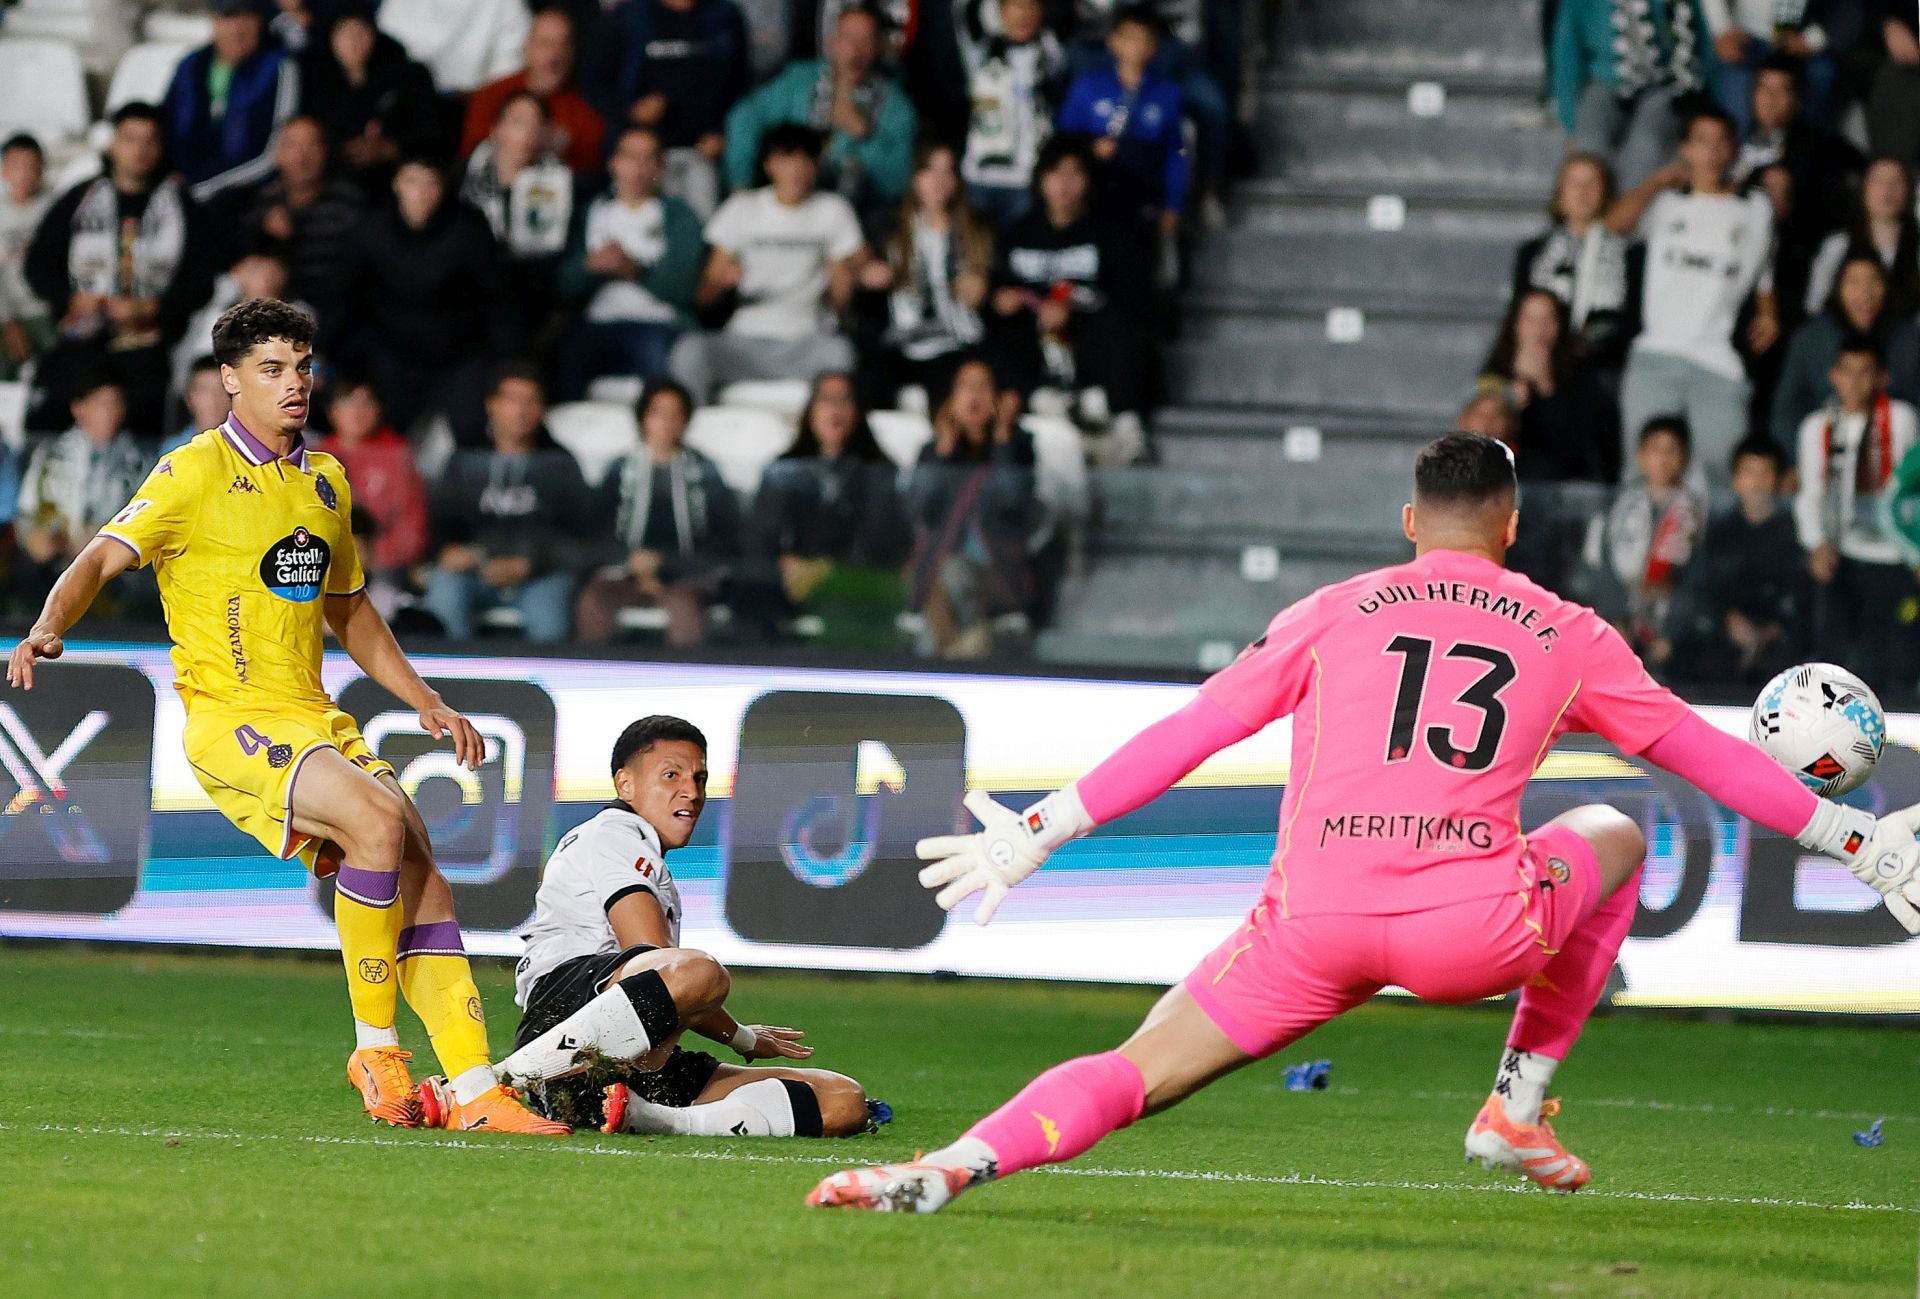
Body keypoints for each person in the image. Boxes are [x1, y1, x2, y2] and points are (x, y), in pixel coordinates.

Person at [806, 433, 1920, 1214]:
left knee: (1140, 1063)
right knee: (1617, 830)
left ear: (1407, 524)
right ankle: (1515, 1106)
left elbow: (1196, 731)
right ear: (1512, 526)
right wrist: (1855, 839)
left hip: (1316, 924)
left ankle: (951, 1164)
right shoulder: (1566, 628)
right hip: (1471, 932)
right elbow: (1701, 752)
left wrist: (1040, 829)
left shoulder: (1332, 611)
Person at [4, 299, 567, 1135]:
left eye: (301, 366)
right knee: (378, 821)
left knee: (420, 863)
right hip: (230, 720)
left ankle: (477, 1089)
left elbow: (351, 609)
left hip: (316, 716)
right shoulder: (189, 472)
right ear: (229, 380)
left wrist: (426, 700)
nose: (294, 383)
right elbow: (99, 555)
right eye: (272, 368)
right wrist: (50, 623)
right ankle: (375, 1050)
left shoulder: (325, 479)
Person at [434, 715, 881, 1139]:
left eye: (699, 779)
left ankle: (648, 1116)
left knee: (842, 1100)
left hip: (636, 1052)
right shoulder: (613, 835)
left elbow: (664, 992)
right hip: (569, 1021)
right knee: (697, 971)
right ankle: (492, 1086)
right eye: (672, 776)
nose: (691, 791)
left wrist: (741, 1036)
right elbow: (654, 962)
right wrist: (742, 1036)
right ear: (624, 784)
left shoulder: (647, 860)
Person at [23, 103, 216, 441]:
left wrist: (152, 307)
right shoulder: (81, 198)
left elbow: (201, 283)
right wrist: (72, 297)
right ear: (112, 145)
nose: (139, 150)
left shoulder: (180, 206)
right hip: (82, 337)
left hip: (149, 344)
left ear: (161, 147)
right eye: (130, 139)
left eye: (150, 140)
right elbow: (38, 263)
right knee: (49, 397)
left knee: (144, 408)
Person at [1609, 106, 1779, 487]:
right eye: (1702, 142)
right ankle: (1633, 545)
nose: (1712, 152)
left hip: (1717, 361)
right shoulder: (1666, 204)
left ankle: (1715, 549)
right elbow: (1614, 225)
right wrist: (1656, 182)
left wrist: (1769, 312)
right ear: (1685, 149)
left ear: (1733, 149)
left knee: (1722, 479)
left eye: (1722, 142)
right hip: (1656, 355)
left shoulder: (1755, 210)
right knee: (1640, 474)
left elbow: (1763, 272)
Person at [669, 125, 864, 403]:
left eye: (804, 160)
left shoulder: (833, 210)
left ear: (816, 166)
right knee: (691, 350)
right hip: (744, 338)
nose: (795, 169)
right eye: (786, 159)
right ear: (770, 165)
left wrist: (844, 276)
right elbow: (704, 296)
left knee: (840, 353)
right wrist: (721, 283)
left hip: (805, 338)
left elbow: (840, 302)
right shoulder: (742, 208)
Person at [987, 135, 1150, 462]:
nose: (1064, 184)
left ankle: (1124, 420)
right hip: (1033, 342)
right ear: (1041, 180)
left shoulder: (1110, 234)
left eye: (1075, 174)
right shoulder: (1017, 234)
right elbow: (999, 288)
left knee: (1117, 329)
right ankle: (1041, 400)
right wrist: (1000, 298)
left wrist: (1071, 306)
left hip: (1091, 335)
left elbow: (1129, 296)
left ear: (1089, 182)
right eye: (1055, 174)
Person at [335, 157, 515, 444]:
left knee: (473, 433)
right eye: (412, 181)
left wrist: (505, 362)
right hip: (393, 354)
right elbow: (342, 296)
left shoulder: (467, 227)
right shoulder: (371, 229)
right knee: (380, 435)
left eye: (431, 183)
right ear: (397, 184)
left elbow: (496, 299)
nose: (421, 193)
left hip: (459, 356)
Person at [421, 363, 589, 643]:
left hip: (539, 572)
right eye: (511, 400)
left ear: (542, 409)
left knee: (550, 625)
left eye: (530, 401)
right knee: (444, 599)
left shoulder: (560, 464)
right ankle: (451, 684)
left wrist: (531, 562)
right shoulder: (464, 460)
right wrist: (448, 548)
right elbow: (441, 519)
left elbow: (578, 535)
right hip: (473, 568)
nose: (521, 411)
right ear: (492, 405)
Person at [574, 378, 742, 647]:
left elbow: (724, 539)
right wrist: (631, 563)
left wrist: (665, 565)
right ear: (643, 418)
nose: (666, 422)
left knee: (683, 607)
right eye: (657, 413)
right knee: (594, 601)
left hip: (687, 578)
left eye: (675, 415)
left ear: (686, 421)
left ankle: (688, 683)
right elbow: (595, 532)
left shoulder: (706, 472)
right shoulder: (619, 471)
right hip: (625, 573)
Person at [749, 371, 911, 648]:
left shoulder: (880, 472)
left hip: (854, 581)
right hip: (791, 581)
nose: (835, 409)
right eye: (826, 400)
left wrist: (826, 570)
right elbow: (760, 537)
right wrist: (785, 562)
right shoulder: (783, 470)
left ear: (858, 412)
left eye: (844, 400)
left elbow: (883, 543)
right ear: (811, 411)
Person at [1794, 337, 1920, 681]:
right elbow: (1811, 493)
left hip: (1895, 554)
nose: (1854, 382)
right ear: (1834, 376)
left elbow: (1911, 487)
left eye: (1865, 372)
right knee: (1835, 651)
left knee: (1893, 652)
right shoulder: (1817, 426)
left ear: (1882, 378)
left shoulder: (1902, 419)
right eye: (1846, 372)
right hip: (1843, 549)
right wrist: (1816, 542)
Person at [554, 126, 705, 400]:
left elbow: (685, 287)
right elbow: (561, 285)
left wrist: (635, 271)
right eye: (630, 156)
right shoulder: (589, 212)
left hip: (657, 323)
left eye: (648, 158)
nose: (638, 167)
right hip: (595, 323)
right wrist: (590, 267)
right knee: (564, 358)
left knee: (656, 359)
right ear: (613, 162)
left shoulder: (679, 215)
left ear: (660, 166)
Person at [723, 5, 918, 210]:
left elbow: (897, 183)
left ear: (878, 46)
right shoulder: (799, 81)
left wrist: (864, 136)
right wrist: (741, 184)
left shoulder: (896, 107)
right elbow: (745, 116)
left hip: (854, 215)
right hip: (787, 204)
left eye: (865, 41)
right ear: (832, 43)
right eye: (847, 38)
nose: (855, 50)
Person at [907, 357, 1035, 658]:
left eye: (982, 387)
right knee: (943, 584)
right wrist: (942, 453)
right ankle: (965, 649)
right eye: (965, 387)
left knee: (949, 576)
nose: (974, 396)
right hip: (940, 573)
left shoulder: (1018, 448)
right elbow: (920, 511)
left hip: (998, 571)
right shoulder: (933, 451)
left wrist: (1003, 439)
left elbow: (1012, 503)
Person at [859, 142, 994, 410]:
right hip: (900, 342)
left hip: (958, 342)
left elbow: (998, 291)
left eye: (948, 172)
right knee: (868, 386)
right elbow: (861, 278)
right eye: (930, 171)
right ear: (915, 177)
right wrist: (866, 278)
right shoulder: (887, 224)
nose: (939, 181)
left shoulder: (978, 227)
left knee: (956, 393)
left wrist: (985, 289)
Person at [1665, 437, 1810, 685]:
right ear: (1735, 479)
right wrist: (1728, 620)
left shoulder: (1798, 534)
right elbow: (1703, 587)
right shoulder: (1719, 533)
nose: (1757, 482)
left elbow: (1803, 594)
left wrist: (1770, 631)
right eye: (1749, 472)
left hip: (1781, 641)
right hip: (1724, 637)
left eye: (1765, 473)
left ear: (1778, 479)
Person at [598, 0, 751, 220]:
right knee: (640, 230)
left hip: (701, 153)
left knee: (698, 231)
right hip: (642, 154)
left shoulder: (724, 15)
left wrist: (722, 130)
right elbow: (594, 82)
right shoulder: (629, 15)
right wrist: (631, 111)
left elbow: (739, 83)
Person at [11, 375, 151, 609]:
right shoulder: (50, 454)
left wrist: (101, 541)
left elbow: (147, 520)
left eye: (115, 403)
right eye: (101, 403)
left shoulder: (139, 461)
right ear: (79, 408)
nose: (109, 411)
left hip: (114, 570)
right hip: (52, 564)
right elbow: (26, 513)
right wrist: (37, 537)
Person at [1578, 416, 1706, 660]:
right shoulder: (1616, 505)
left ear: (1683, 459)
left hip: (1669, 631)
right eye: (1655, 449)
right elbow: (1600, 565)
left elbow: (1695, 579)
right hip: (1617, 624)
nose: (1663, 458)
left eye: (1671, 451)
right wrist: (1614, 619)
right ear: (1641, 456)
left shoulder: (1694, 511)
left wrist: (1671, 634)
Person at [1056, 5, 1188, 239]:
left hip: (1142, 193)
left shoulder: (1168, 94)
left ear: (1155, 46)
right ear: (1113, 41)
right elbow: (1065, 140)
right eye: (1130, 38)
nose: (1136, 48)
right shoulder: (1088, 87)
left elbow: (1175, 153)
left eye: (1145, 40)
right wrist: (1091, 148)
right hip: (1094, 191)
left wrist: (1173, 205)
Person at [1551, 0, 1710, 189]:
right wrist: (1571, 123)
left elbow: (1701, 41)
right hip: (1605, 80)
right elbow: (1567, 57)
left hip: (1664, 83)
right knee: (1590, 141)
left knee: (1648, 142)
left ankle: (1624, 211)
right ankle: (1593, 214)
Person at [160, 0, 302, 203]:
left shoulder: (278, 68)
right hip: (183, 192)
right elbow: (162, 126)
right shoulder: (191, 67)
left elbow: (277, 151)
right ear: (214, 21)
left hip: (252, 195)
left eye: (246, 17)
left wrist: (202, 187)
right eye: (228, 17)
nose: (237, 29)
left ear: (260, 22)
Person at [461, 90, 574, 339]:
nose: (528, 132)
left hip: (531, 296)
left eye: (537, 124)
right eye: (519, 122)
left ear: (547, 134)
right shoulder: (463, 178)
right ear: (496, 130)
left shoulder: (562, 182)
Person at [232, 115, 364, 327]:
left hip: (331, 314)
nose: (302, 157)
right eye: (292, 146)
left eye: (312, 145)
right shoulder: (264, 201)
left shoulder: (348, 204)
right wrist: (268, 235)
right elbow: (242, 257)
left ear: (325, 151)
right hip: (272, 305)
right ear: (278, 154)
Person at [1478, 288, 1620, 484]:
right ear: (1516, 325)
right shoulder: (1493, 380)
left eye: (1548, 319)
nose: (1540, 329)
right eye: (1531, 320)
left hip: (1573, 485)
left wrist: (1546, 386)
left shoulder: (1582, 378)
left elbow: (1589, 444)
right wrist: (1511, 404)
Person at [299, 2, 444, 189]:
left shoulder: (409, 76)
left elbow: (433, 134)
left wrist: (390, 148)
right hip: (333, 182)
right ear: (331, 38)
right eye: (345, 33)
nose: (353, 42)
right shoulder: (315, 80)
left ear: (374, 34)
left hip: (399, 180)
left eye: (361, 32)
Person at [1509, 153, 1632, 369]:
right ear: (1560, 193)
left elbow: (1631, 322)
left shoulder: (1628, 254)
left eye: (1591, 183)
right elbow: (1519, 316)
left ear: (1606, 192)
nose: (1582, 192)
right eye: (1574, 183)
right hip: (1546, 363)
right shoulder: (1533, 253)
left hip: (1607, 367)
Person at [955, 0, 1068, 227]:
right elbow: (965, 12)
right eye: (1016, 6)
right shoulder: (981, 50)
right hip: (980, 176)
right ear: (1000, 12)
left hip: (1028, 178)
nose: (1023, 14)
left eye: (1031, 6)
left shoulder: (1052, 51)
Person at [311, 373, 429, 584]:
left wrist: (374, 557)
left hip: (387, 570)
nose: (357, 411)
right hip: (327, 568)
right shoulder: (317, 458)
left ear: (379, 408)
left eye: (366, 402)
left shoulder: (398, 455)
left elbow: (412, 528)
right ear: (332, 411)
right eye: (347, 401)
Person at [461, 7, 606, 177]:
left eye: (563, 44)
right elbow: (471, 155)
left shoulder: (588, 106)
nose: (555, 55)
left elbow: (592, 167)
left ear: (573, 52)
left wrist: (562, 145)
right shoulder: (489, 96)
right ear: (527, 48)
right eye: (545, 44)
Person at [1772, 255, 1892, 449]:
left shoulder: (1908, 340)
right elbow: (1787, 409)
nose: (1865, 293)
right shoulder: (1810, 339)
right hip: (1821, 451)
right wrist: (1791, 464)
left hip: (1892, 456)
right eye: (1854, 282)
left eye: (1874, 281)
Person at [1805, 158, 1919, 318]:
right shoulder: (1838, 245)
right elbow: (1815, 305)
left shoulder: (1916, 247)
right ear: (1864, 189)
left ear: (1909, 191)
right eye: (1878, 181)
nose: (1887, 190)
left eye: (1897, 182)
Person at [376, 0, 530, 95]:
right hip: (407, 97)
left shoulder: (506, 4)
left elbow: (511, 61)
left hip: (476, 99)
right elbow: (386, 43)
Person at [0, 133, 53, 382]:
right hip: (8, 314)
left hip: (48, 310)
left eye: (31, 165)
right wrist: (8, 319)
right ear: (3, 170)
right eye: (16, 165)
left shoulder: (54, 209)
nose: (24, 173)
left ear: (42, 169)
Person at [163, 354, 231, 456]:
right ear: (188, 398)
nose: (213, 400)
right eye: (204, 390)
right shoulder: (173, 450)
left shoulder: (246, 445)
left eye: (221, 389)